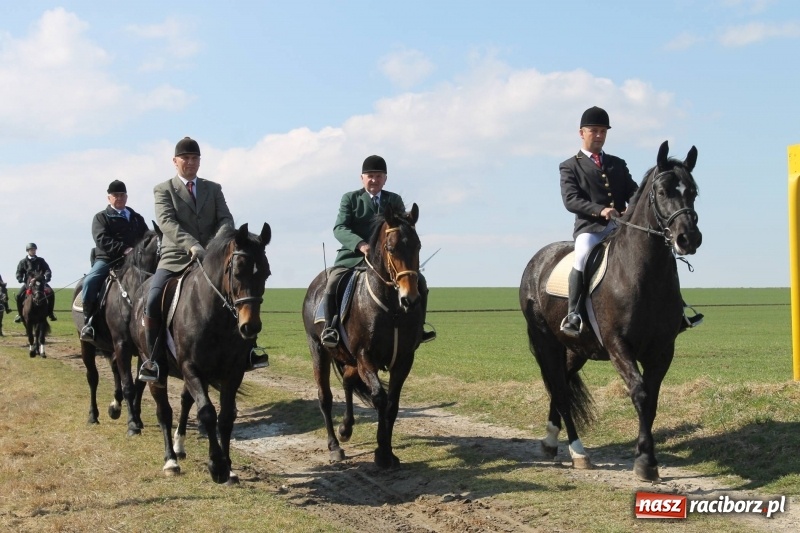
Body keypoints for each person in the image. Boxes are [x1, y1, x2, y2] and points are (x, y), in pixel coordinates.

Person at [559, 106, 703, 337]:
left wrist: (632, 208)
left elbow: (635, 193)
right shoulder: (570, 166)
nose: (599, 135)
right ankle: (574, 313)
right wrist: (601, 210)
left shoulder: (617, 163)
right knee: (582, 255)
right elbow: (571, 200)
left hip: (621, 226)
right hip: (591, 228)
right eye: (594, 131)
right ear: (581, 133)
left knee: (664, 254)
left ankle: (679, 308)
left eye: (603, 131)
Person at [138, 137, 268, 384]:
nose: (190, 162)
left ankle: (250, 351)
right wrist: (192, 245)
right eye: (185, 158)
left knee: (241, 292)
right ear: (175, 161)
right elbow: (166, 222)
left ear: (200, 161)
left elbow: (226, 219)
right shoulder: (163, 189)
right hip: (176, 258)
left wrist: (213, 247)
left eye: (194, 158)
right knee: (153, 300)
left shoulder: (213, 189)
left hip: (212, 259)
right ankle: (154, 361)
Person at [320, 154, 436, 348]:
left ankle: (419, 328)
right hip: (354, 257)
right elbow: (340, 228)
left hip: (388, 259)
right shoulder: (350, 199)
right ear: (362, 178)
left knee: (420, 282)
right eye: (370, 176)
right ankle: (330, 328)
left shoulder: (394, 199)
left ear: (385, 179)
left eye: (378, 176)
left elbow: (402, 228)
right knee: (333, 282)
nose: (374, 180)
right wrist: (360, 244)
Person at [79, 180, 148, 340]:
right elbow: (101, 238)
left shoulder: (136, 218)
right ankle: (88, 322)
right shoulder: (101, 217)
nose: (119, 198)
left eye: (122, 195)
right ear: (109, 198)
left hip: (135, 261)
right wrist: (123, 249)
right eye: (115, 195)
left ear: (126, 197)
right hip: (108, 260)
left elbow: (146, 238)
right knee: (89, 281)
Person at [14, 243, 56, 323]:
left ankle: (50, 313)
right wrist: (20, 278)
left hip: (40, 283)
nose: (33, 251)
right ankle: (20, 315)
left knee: (51, 293)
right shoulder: (23, 262)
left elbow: (47, 270)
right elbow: (19, 272)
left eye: (34, 249)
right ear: (28, 251)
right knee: (19, 296)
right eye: (31, 250)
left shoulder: (41, 260)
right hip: (28, 284)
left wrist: (47, 276)